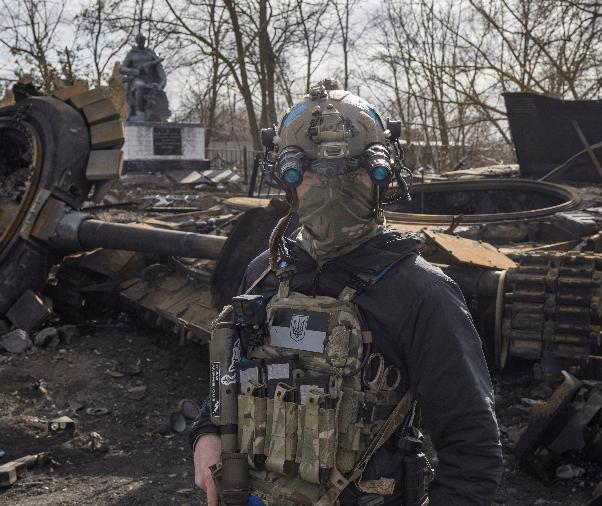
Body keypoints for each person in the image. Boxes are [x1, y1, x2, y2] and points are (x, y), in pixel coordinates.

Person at [190, 79, 503, 505]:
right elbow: (227, 378)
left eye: (354, 172)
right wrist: (206, 434)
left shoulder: (421, 292)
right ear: (288, 180)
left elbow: (473, 449)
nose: (331, 189)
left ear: (382, 177)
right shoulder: (265, 273)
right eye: (311, 173)